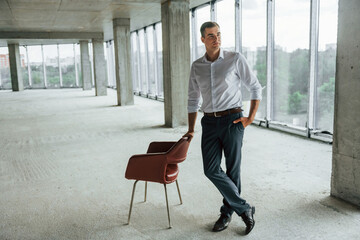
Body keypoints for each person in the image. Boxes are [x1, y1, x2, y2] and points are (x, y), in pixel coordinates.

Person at [183, 22, 262, 235]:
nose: (216, 38)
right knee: (210, 169)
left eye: (218, 34)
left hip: (232, 120)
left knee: (232, 170)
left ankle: (227, 213)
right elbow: (193, 99)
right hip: (208, 122)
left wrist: (249, 118)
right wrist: (191, 128)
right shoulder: (197, 66)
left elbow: (255, 87)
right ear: (202, 39)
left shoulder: (234, 59)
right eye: (210, 35)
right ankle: (244, 208)